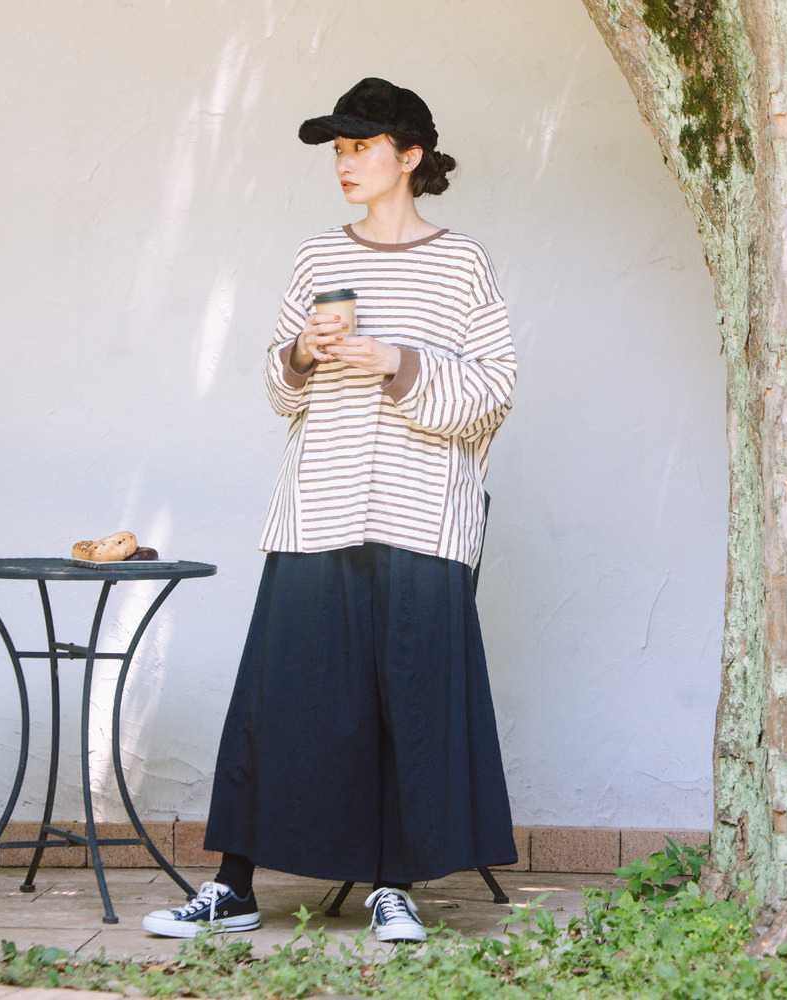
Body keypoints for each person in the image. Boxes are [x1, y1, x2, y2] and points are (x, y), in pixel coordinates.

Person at [143, 77, 517, 944]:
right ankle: (233, 887)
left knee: (407, 700)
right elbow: (281, 394)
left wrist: (397, 360)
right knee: (279, 700)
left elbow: (495, 393)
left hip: (423, 515)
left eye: (361, 147)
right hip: (318, 508)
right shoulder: (318, 257)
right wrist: (301, 356)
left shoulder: (462, 263)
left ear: (410, 155)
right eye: (338, 150)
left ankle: (393, 888)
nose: (345, 164)